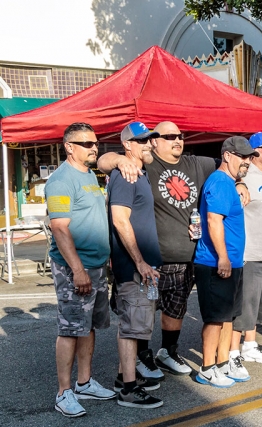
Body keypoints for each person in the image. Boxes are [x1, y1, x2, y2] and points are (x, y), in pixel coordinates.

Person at [98, 121, 247, 379]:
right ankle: (143, 357)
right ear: (155, 141)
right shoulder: (146, 162)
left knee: (175, 308)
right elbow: (103, 160)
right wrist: (119, 161)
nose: (177, 140)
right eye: (169, 137)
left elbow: (231, 166)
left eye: (180, 136)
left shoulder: (196, 164)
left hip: (185, 255)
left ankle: (168, 351)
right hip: (153, 258)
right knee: (145, 313)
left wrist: (240, 184)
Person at [46, 123, 116, 418]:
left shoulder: (88, 174)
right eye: (86, 143)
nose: (94, 147)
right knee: (71, 329)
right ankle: (64, 392)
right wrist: (77, 269)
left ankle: (84, 382)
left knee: (88, 326)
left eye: (95, 142)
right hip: (76, 268)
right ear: (69, 147)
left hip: (97, 265)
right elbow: (59, 228)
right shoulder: (61, 181)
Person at [194, 136, 259, 388]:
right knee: (214, 319)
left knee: (227, 317)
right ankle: (207, 367)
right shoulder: (220, 182)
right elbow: (213, 220)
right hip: (215, 261)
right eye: (242, 157)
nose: (247, 162)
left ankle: (222, 362)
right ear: (227, 155)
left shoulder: (230, 181)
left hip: (231, 261)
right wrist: (222, 256)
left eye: (249, 157)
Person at [108, 122, 163, 408]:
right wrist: (140, 261)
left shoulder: (138, 173)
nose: (149, 144)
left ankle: (123, 378)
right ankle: (128, 390)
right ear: (128, 145)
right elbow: (120, 219)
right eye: (142, 141)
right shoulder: (125, 175)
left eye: (151, 140)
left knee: (135, 325)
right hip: (133, 268)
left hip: (142, 266)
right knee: (131, 328)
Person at [226, 132, 262, 382]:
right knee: (244, 307)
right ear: (254, 152)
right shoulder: (243, 177)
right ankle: (233, 352)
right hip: (249, 253)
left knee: (259, 305)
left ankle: (250, 346)